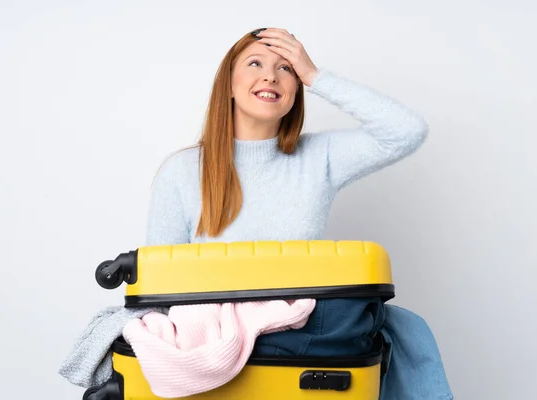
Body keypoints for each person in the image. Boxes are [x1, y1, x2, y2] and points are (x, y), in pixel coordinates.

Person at [146, 27, 453, 399]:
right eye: (255, 63)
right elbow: (157, 286)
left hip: (306, 343)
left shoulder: (318, 158)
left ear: (296, 89)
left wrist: (315, 75)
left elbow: (407, 131)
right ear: (228, 84)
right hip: (216, 351)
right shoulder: (182, 171)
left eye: (286, 68)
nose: (270, 76)